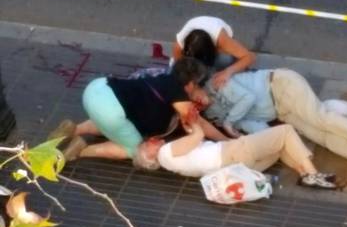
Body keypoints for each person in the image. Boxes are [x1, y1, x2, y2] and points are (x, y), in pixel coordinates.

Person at [49, 58, 226, 161]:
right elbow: (197, 124)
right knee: (133, 149)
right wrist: (226, 140)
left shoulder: (161, 76)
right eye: (199, 85)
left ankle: (75, 129)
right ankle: (82, 150)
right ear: (192, 84)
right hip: (112, 111)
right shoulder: (179, 95)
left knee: (115, 121)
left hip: (97, 89)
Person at [203, 68, 347, 161]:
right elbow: (265, 132)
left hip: (280, 85)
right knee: (323, 139)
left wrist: (229, 122)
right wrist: (244, 140)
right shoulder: (227, 119)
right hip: (284, 113)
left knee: (320, 118)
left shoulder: (217, 84)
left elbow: (247, 97)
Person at [133, 121, 337, 190]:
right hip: (233, 152)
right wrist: (192, 122)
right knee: (285, 131)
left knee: (279, 147)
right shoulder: (167, 151)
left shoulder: (171, 166)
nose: (152, 140)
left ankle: (303, 173)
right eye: (148, 143)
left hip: (237, 169)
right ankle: (312, 174)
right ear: (149, 155)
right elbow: (199, 136)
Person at [172, 16, 256, 88]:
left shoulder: (222, 40)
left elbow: (249, 57)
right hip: (201, 30)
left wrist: (228, 72)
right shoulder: (180, 44)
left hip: (217, 32)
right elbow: (178, 67)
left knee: (226, 60)